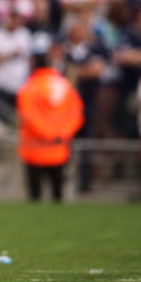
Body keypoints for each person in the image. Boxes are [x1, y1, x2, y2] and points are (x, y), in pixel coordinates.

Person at [16, 33, 84, 202]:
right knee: (58, 195)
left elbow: (29, 117)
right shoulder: (65, 86)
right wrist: (61, 134)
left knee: (35, 197)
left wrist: (47, 134)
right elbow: (76, 114)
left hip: (34, 149)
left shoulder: (28, 88)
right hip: (59, 149)